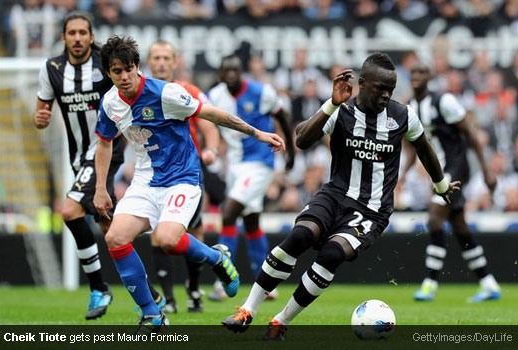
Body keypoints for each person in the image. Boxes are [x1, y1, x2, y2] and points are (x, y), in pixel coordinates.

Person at [221, 52, 460, 340]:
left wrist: (441, 184)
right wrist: (332, 103)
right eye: (380, 88)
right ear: (361, 83)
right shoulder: (342, 112)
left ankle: (282, 321)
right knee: (299, 237)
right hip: (334, 196)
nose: (386, 95)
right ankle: (247, 310)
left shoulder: (402, 116)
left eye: (391, 90)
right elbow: (301, 140)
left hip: (371, 210)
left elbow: (424, 148)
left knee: (332, 253)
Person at [93, 35, 285, 330]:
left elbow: (212, 115)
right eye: (116, 71)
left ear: (137, 66)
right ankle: (152, 314)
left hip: (182, 179)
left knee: (168, 240)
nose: (124, 77)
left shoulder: (167, 93)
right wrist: (100, 188)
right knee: (115, 238)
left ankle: (217, 259)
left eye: (128, 69)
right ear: (109, 73)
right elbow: (104, 142)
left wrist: (257, 133)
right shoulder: (110, 102)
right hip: (146, 181)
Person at [33, 11, 120, 320]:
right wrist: (39, 119)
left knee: (69, 210)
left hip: (105, 149)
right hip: (78, 156)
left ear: (91, 37)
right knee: (110, 227)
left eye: (84, 32)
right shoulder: (52, 68)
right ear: (64, 38)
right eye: (73, 33)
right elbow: (41, 112)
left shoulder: (106, 64)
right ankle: (148, 296)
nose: (79, 38)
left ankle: (99, 288)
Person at [403, 62, 501, 302]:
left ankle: (430, 284)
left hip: (456, 167)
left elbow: (470, 135)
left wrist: (487, 170)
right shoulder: (410, 107)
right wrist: (403, 173)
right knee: (460, 227)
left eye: (422, 72)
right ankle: (489, 283)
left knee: (435, 217)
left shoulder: (444, 102)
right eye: (414, 72)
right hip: (438, 171)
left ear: (430, 77)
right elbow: (416, 147)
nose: (417, 76)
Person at [207, 54, 295, 301]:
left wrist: (291, 153)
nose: (232, 74)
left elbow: (282, 116)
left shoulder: (261, 92)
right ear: (222, 74)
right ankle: (267, 284)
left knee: (228, 213)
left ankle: (221, 282)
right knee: (252, 222)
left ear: (241, 71)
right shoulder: (215, 96)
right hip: (234, 166)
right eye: (227, 70)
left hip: (259, 163)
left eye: (236, 69)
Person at [146, 39, 221, 313]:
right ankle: (169, 299)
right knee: (158, 234)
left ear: (175, 62)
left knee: (192, 232)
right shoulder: (140, 93)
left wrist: (211, 149)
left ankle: (193, 290)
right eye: (157, 58)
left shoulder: (188, 91)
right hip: (154, 174)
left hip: (187, 173)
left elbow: (209, 123)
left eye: (167, 58)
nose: (162, 63)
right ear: (149, 62)